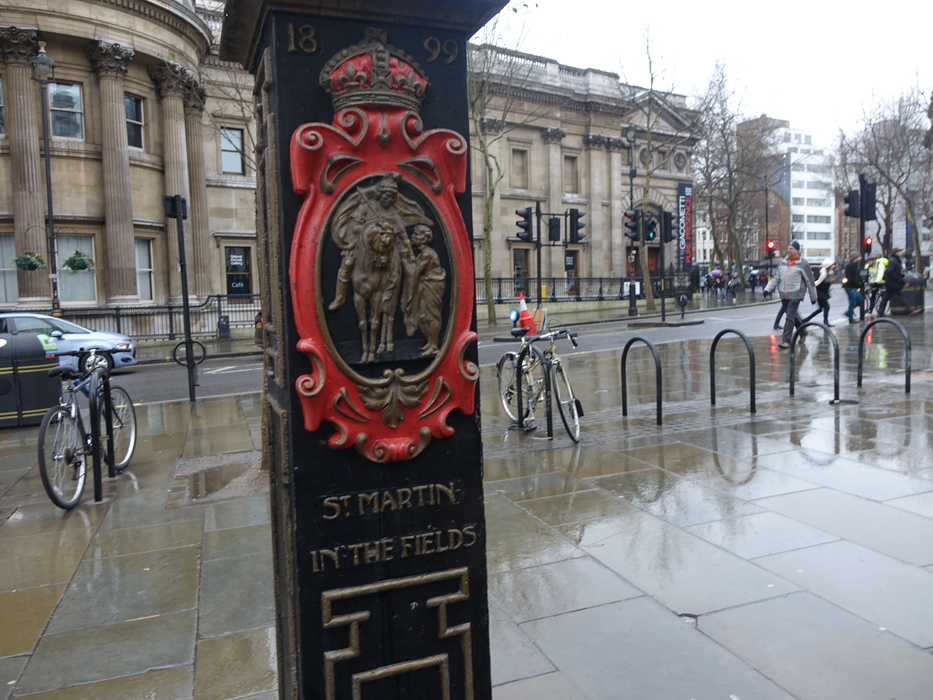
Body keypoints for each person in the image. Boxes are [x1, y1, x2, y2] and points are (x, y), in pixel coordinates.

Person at [764, 240, 817, 349]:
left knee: (789, 316)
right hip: (784, 294)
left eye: (791, 248)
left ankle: (786, 340)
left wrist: (813, 296)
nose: (789, 250)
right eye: (788, 248)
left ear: (797, 250)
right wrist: (767, 289)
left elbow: (810, 281)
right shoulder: (782, 262)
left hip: (796, 294)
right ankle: (803, 332)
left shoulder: (803, 263)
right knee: (791, 315)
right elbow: (776, 278)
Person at [803, 260, 834, 325]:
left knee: (820, 309)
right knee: (826, 307)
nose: (833, 266)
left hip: (821, 293)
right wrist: (810, 287)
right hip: (820, 294)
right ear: (828, 266)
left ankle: (806, 320)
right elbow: (818, 282)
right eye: (832, 265)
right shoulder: (824, 274)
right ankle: (825, 321)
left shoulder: (828, 273)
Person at [876, 248, 905, 316]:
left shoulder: (896, 260)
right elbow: (890, 271)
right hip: (892, 283)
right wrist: (898, 279)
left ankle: (880, 312)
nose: (901, 253)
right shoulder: (893, 261)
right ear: (896, 253)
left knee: (886, 297)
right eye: (899, 251)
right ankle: (909, 310)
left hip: (891, 283)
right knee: (900, 296)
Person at [842, 253, 863, 324]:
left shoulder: (857, 265)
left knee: (860, 299)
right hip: (849, 286)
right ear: (855, 257)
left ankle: (849, 312)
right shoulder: (849, 266)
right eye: (859, 256)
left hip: (854, 286)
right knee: (852, 301)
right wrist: (857, 283)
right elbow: (849, 277)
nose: (861, 258)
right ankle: (850, 318)